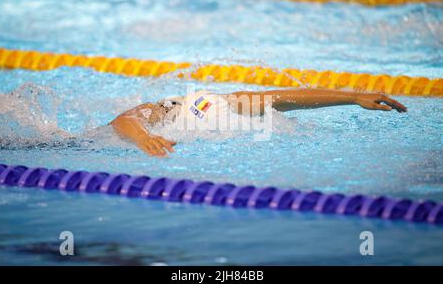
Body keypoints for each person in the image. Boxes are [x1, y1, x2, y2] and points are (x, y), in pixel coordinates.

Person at [111, 88, 407, 157]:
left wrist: (353, 98)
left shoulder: (226, 104)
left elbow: (282, 99)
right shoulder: (168, 110)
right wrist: (142, 138)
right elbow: (124, 120)